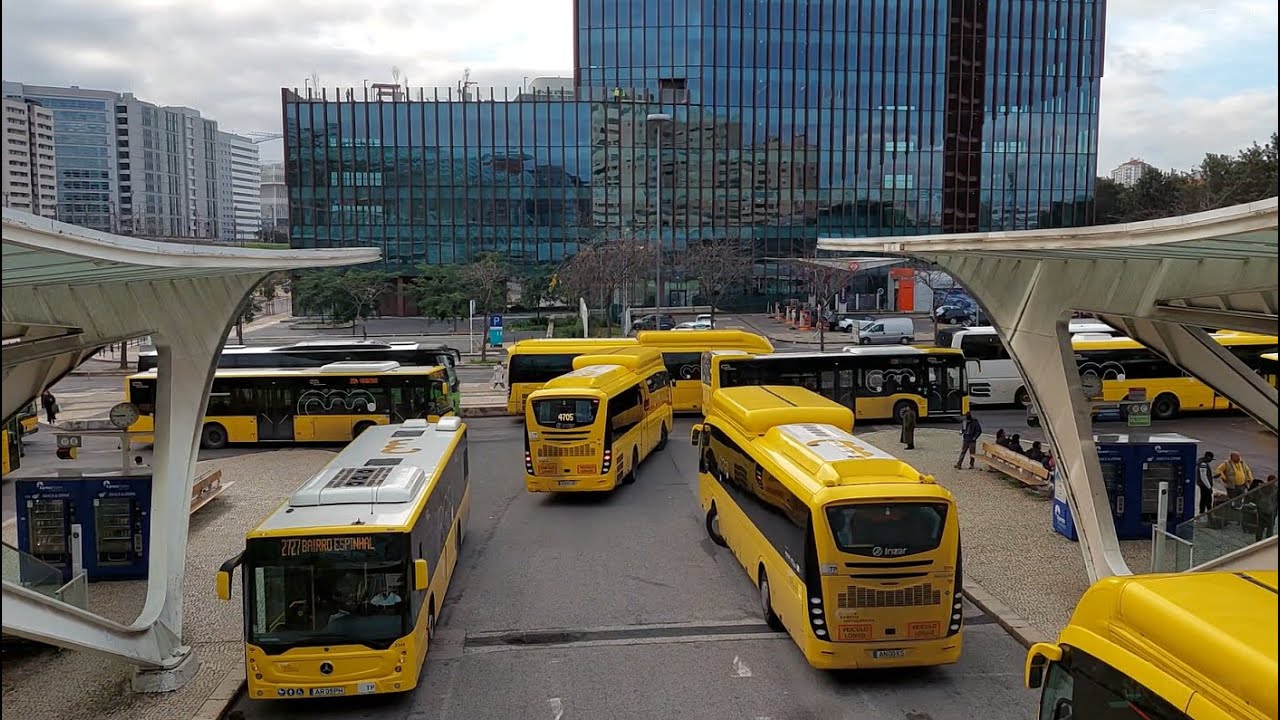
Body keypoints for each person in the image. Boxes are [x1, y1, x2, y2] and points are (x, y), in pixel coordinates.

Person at [1253, 474, 1277, 543]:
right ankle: (1268, 541)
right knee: (1270, 526)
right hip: (1271, 510)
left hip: (1261, 510)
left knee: (1260, 525)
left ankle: (1258, 540)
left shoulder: (1261, 487)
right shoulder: (1275, 489)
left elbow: (1256, 497)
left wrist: (1258, 506)